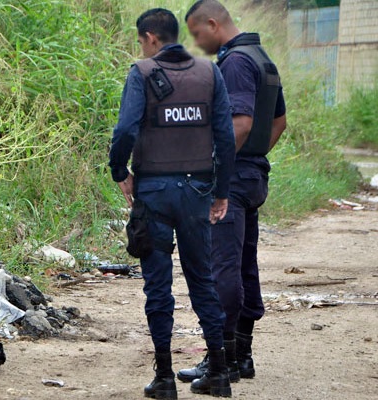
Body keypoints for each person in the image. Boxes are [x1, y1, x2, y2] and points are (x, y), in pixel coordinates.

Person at [108, 8, 236, 399]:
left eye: (141, 41)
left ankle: (164, 378)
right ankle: (218, 372)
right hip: (197, 193)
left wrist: (119, 171)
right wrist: (221, 191)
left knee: (158, 287)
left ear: (150, 37)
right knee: (202, 281)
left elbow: (126, 130)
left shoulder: (141, 73)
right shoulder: (209, 72)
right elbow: (226, 138)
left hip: (154, 194)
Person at [177, 0, 288, 385]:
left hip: (234, 180)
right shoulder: (262, 58)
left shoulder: (236, 62)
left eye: (196, 33)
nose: (196, 41)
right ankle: (241, 357)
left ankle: (219, 360)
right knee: (243, 265)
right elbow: (279, 122)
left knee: (220, 267)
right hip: (252, 177)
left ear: (212, 23)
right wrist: (255, 158)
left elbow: (240, 124)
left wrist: (219, 172)